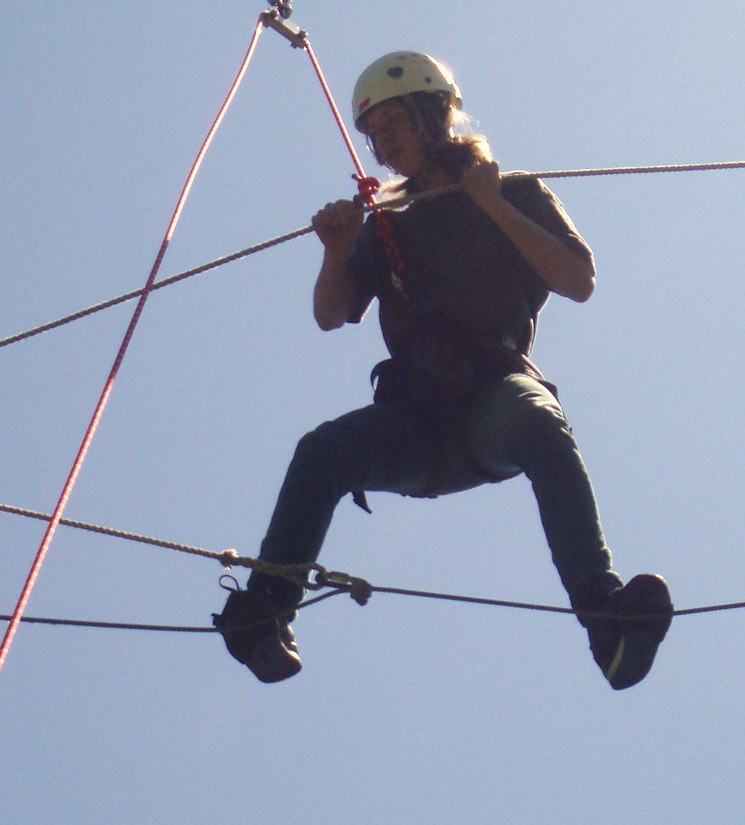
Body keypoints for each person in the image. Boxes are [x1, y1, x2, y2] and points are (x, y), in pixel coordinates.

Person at [213, 50, 673, 690]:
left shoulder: (514, 192)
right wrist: (340, 249)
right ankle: (265, 615)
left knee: (537, 418)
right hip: (417, 421)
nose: (384, 144)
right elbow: (333, 312)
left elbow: (578, 280)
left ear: (434, 115)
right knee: (321, 452)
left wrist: (493, 208)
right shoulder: (386, 226)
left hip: (491, 405)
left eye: (394, 125)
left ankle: (607, 621)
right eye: (374, 136)